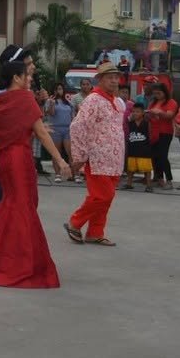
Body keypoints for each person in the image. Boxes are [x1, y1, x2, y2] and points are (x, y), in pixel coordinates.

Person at [0, 57, 70, 288]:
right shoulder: (24, 98)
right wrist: (60, 161)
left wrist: (26, 130)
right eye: (27, 75)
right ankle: (17, 263)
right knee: (20, 207)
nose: (30, 79)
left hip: (1, 157)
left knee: (11, 205)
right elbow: (41, 133)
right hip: (18, 158)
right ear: (16, 78)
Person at [65, 61, 125, 247]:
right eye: (110, 77)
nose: (114, 81)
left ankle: (95, 233)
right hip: (98, 158)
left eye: (116, 77)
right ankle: (75, 223)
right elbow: (77, 126)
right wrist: (80, 155)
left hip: (114, 158)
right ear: (100, 80)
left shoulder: (117, 101)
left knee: (106, 198)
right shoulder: (93, 100)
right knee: (101, 196)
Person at [146, 83, 177, 190]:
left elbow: (169, 115)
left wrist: (159, 112)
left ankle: (169, 180)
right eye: (155, 93)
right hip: (153, 131)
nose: (157, 95)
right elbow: (149, 115)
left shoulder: (171, 102)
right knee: (154, 156)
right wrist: (148, 114)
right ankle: (159, 178)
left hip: (165, 132)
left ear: (164, 92)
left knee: (163, 156)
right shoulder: (153, 102)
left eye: (159, 93)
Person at [122, 103, 154, 192]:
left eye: (138, 112)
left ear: (143, 112)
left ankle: (149, 185)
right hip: (132, 149)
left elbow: (151, 135)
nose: (135, 113)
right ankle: (129, 184)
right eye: (134, 111)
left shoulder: (147, 123)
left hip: (144, 150)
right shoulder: (130, 123)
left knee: (147, 169)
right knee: (130, 169)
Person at [46, 84, 74, 182]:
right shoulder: (50, 101)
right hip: (55, 128)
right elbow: (51, 113)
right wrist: (52, 103)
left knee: (70, 152)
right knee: (56, 152)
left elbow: (72, 116)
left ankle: (72, 173)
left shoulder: (68, 103)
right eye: (57, 89)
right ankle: (57, 174)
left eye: (60, 89)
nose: (59, 91)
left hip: (67, 129)